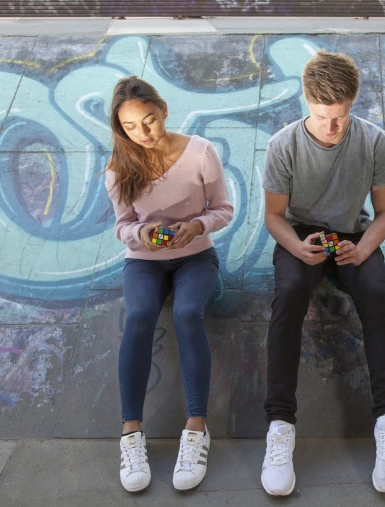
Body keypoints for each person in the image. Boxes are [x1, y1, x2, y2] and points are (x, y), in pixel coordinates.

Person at [260, 50, 385, 495]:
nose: (332, 127)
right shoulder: (283, 145)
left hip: (353, 234)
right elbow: (274, 217)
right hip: (300, 234)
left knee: (376, 295)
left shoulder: (374, 142)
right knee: (288, 294)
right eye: (323, 116)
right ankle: (280, 426)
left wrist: (362, 249)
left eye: (340, 116)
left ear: (353, 104)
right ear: (307, 102)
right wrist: (296, 247)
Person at [104, 76, 233, 492]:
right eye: (129, 126)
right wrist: (139, 234)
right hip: (144, 261)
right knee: (139, 315)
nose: (142, 133)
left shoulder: (200, 152)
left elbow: (224, 209)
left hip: (196, 256)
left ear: (163, 109)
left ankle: (196, 428)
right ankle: (131, 433)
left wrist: (197, 225)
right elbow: (122, 226)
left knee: (187, 312)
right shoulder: (119, 165)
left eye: (149, 120)